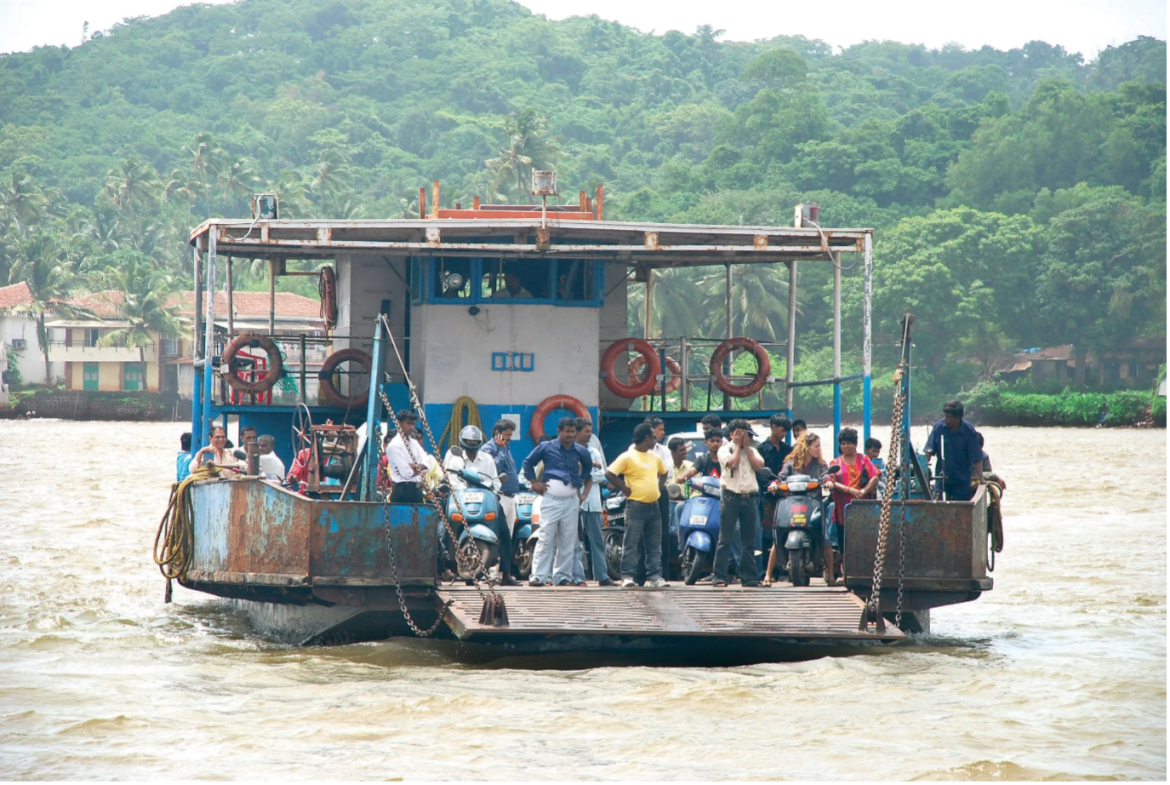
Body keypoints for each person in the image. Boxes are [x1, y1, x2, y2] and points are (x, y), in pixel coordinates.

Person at [522, 417, 593, 587]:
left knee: (568, 540)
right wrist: (534, 483)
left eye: (572, 431)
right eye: (567, 431)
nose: (570, 435)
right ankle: (538, 576)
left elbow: (588, 467)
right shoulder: (546, 447)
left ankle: (561, 576)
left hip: (571, 501)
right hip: (551, 500)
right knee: (545, 537)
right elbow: (527, 463)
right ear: (559, 431)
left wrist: (581, 481)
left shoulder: (580, 451)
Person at [444, 425, 513, 585]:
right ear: (462, 442)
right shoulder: (454, 459)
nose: (472, 445)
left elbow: (495, 481)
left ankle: (507, 573)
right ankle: (444, 567)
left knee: (504, 531)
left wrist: (491, 491)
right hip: (461, 499)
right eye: (469, 441)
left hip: (485, 499)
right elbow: (452, 482)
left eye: (475, 442)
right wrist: (467, 490)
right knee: (442, 527)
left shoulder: (487, 459)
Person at [606, 423, 669, 589]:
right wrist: (624, 488)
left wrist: (659, 488)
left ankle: (656, 576)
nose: (656, 440)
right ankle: (627, 576)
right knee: (631, 543)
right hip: (635, 506)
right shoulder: (627, 456)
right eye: (653, 437)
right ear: (647, 438)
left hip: (654, 506)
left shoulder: (654, 457)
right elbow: (609, 473)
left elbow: (664, 472)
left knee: (654, 544)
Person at [765, 432, 832, 586]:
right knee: (778, 535)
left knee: (826, 539)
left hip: (813, 504)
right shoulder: (791, 463)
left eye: (819, 446)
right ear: (805, 447)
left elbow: (825, 476)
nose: (819, 449)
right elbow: (781, 478)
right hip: (792, 504)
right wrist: (774, 484)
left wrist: (828, 481)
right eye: (816, 446)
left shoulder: (821, 464)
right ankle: (768, 575)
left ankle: (831, 575)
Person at [711, 419, 765, 588]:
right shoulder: (723, 450)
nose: (742, 436)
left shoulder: (753, 450)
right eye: (738, 432)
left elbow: (759, 466)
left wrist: (746, 447)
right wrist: (736, 446)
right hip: (730, 498)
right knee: (725, 539)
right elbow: (732, 464)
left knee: (748, 540)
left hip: (749, 498)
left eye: (744, 432)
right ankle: (720, 576)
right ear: (732, 433)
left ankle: (749, 577)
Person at [825, 428, 880, 586]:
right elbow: (831, 480)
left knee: (865, 540)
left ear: (856, 445)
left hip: (863, 509)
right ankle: (845, 573)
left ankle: (866, 572)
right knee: (844, 542)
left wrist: (863, 491)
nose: (846, 446)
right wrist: (849, 490)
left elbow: (875, 476)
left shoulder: (863, 460)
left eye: (849, 443)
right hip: (843, 510)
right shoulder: (835, 463)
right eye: (843, 444)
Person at [633, 416, 673, 579]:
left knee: (660, 535)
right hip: (639, 494)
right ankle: (638, 574)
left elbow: (668, 472)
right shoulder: (633, 449)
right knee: (638, 535)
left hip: (659, 493)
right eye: (660, 429)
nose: (662, 432)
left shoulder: (663, 451)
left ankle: (660, 574)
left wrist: (655, 484)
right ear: (649, 432)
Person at [573, 417, 612, 585]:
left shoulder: (594, 452)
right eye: (586, 431)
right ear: (577, 432)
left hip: (593, 502)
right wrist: (588, 474)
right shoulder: (570, 451)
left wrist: (584, 474)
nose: (590, 434)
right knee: (576, 541)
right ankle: (578, 577)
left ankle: (602, 576)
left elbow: (601, 475)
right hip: (575, 501)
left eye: (590, 431)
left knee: (597, 540)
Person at [926, 400, 984, 501]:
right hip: (942, 478)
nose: (946, 420)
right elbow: (929, 451)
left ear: (958, 418)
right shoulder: (938, 428)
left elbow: (976, 458)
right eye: (945, 416)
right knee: (939, 506)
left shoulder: (969, 431)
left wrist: (982, 479)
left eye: (949, 418)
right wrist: (924, 467)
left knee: (960, 508)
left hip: (961, 480)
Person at [482, 419, 520, 536]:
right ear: (497, 432)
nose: (509, 438)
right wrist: (501, 450)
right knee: (499, 535)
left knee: (508, 537)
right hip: (500, 497)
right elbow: (494, 469)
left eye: (510, 435)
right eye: (507, 434)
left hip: (511, 498)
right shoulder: (488, 449)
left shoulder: (505, 447)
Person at [386, 410, 428, 503]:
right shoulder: (394, 446)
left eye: (413, 424)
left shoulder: (414, 443)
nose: (411, 427)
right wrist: (421, 467)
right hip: (402, 491)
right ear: (399, 424)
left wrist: (413, 466)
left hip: (416, 491)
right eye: (408, 423)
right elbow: (406, 473)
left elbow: (428, 464)